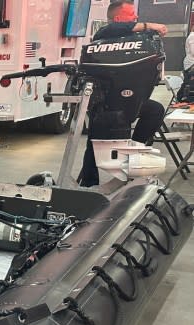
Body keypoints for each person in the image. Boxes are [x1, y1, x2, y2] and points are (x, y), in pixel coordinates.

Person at [77, 0, 168, 187]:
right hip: (106, 101)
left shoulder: (135, 38)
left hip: (130, 98)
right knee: (94, 142)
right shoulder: (105, 33)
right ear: (118, 19)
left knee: (155, 110)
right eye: (131, 14)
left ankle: (134, 152)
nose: (136, 17)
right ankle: (88, 183)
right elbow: (119, 29)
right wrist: (150, 25)